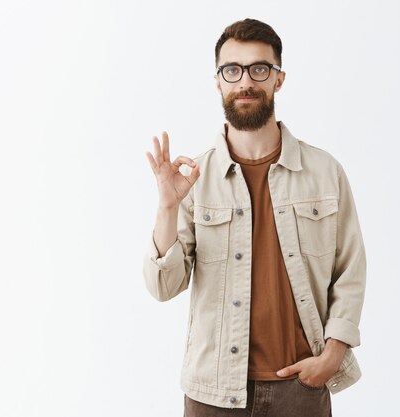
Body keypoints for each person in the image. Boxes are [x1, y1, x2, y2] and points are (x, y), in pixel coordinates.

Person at [143, 18, 366, 417]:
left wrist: (332, 356)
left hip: (300, 389)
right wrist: (167, 206)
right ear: (218, 81)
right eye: (233, 70)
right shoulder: (193, 178)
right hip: (213, 392)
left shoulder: (324, 172)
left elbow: (350, 271)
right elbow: (164, 285)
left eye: (259, 68)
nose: (245, 81)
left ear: (278, 79)